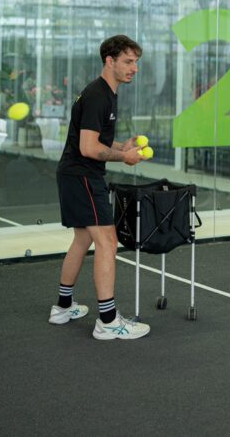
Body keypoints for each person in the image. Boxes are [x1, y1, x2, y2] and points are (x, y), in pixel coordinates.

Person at [48, 35, 151, 339]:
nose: (134, 68)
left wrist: (122, 146)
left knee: (83, 239)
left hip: (75, 174)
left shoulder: (104, 93)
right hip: (82, 176)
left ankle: (62, 307)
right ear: (110, 61)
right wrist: (125, 158)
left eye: (136, 62)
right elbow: (88, 148)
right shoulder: (98, 95)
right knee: (107, 241)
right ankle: (108, 322)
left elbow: (94, 139)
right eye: (128, 62)